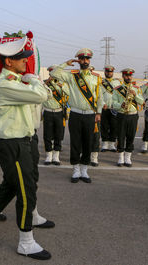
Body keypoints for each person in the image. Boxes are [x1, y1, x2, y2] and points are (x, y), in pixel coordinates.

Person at [0, 37, 52, 260]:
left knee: (10, 188)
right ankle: (26, 242)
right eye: (21, 59)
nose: (26, 62)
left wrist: (28, 80)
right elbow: (42, 95)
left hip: (22, 141)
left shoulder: (15, 82)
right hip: (14, 144)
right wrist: (34, 79)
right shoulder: (5, 84)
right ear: (8, 63)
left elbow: (45, 97)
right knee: (26, 191)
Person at [49, 48, 103, 183]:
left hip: (90, 115)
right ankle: (75, 170)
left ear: (89, 60)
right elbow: (54, 73)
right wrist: (66, 63)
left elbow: (100, 97)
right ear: (79, 60)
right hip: (75, 114)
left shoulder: (96, 78)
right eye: (82, 59)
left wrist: (99, 112)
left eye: (87, 59)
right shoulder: (72, 76)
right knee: (75, 143)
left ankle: (84, 169)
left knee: (87, 142)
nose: (85, 61)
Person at [112, 68, 144, 167]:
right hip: (122, 115)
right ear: (123, 76)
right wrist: (120, 105)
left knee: (131, 136)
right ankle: (121, 157)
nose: (128, 77)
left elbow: (142, 102)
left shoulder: (136, 88)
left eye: (130, 75)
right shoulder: (117, 89)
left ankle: (128, 157)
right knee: (121, 136)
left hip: (133, 115)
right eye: (126, 75)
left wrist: (135, 95)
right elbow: (113, 103)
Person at [42, 66, 68, 165]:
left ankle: (56, 156)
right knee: (47, 135)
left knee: (58, 134)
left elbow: (68, 94)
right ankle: (49, 155)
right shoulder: (45, 83)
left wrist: (61, 86)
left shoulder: (61, 83)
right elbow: (39, 91)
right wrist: (46, 83)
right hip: (48, 111)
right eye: (51, 73)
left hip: (59, 112)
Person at [100, 65, 121, 152]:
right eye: (107, 72)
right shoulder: (101, 82)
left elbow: (120, 95)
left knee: (114, 126)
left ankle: (112, 144)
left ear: (113, 72)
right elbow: (99, 94)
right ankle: (105, 144)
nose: (109, 73)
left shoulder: (117, 82)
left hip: (114, 108)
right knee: (104, 126)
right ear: (105, 72)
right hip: (104, 108)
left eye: (111, 72)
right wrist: (102, 103)